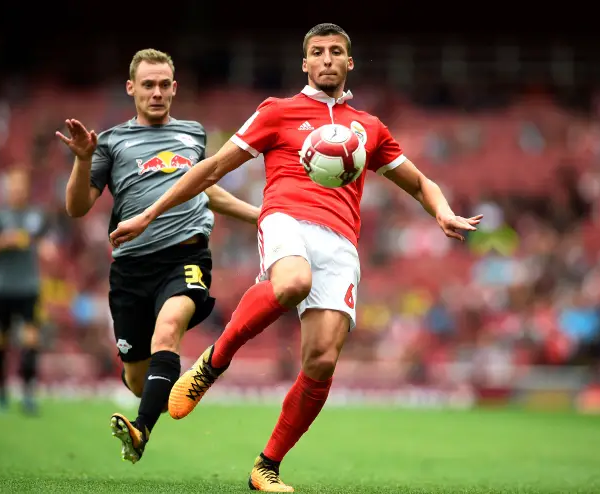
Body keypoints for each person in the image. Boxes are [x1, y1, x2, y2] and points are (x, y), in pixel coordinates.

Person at [109, 27, 482, 491]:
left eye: (336, 53)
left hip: (342, 242)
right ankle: (212, 363)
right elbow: (212, 168)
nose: (327, 60)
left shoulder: (370, 127)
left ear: (350, 63)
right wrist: (147, 214)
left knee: (322, 361)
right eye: (317, 53)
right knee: (291, 282)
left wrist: (443, 213)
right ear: (304, 64)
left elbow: (421, 182)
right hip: (286, 218)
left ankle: (266, 466)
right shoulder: (277, 112)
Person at [56, 49, 259, 464]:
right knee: (137, 379)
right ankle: (158, 392)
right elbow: (77, 207)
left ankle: (140, 430)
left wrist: (260, 215)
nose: (157, 92)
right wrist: (82, 160)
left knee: (168, 330)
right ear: (131, 88)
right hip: (131, 268)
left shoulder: (193, 133)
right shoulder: (111, 142)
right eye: (148, 84)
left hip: (186, 256)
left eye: (165, 84)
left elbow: (204, 187)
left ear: (175, 88)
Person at [0, 167, 53, 415]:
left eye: (22, 186)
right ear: (7, 188)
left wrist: (45, 248)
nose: (18, 191)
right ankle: (0, 395)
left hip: (29, 287)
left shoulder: (37, 215)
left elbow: (43, 241)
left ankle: (28, 394)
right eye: (14, 186)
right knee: (1, 340)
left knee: (31, 339)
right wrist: (3, 241)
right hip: (2, 288)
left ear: (27, 189)